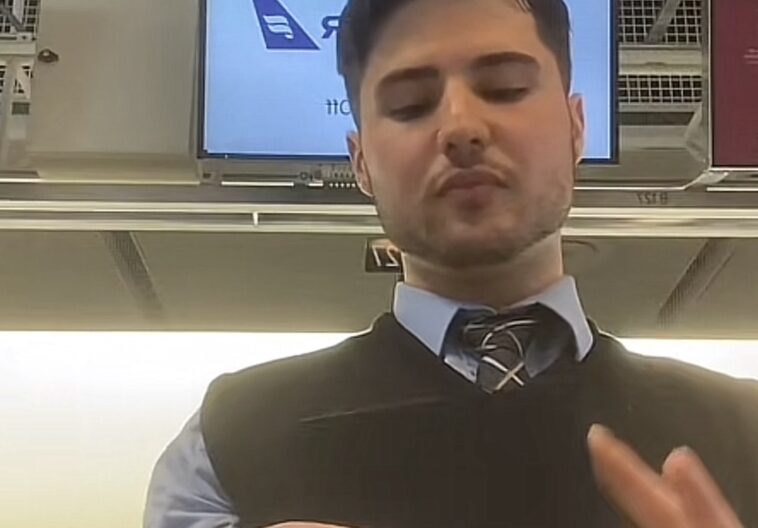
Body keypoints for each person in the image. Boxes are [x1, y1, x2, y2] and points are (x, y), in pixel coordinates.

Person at [144, 0, 758, 526]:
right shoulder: (228, 442)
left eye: (506, 89)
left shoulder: (744, 432)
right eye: (411, 104)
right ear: (361, 163)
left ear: (576, 129)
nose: (461, 128)